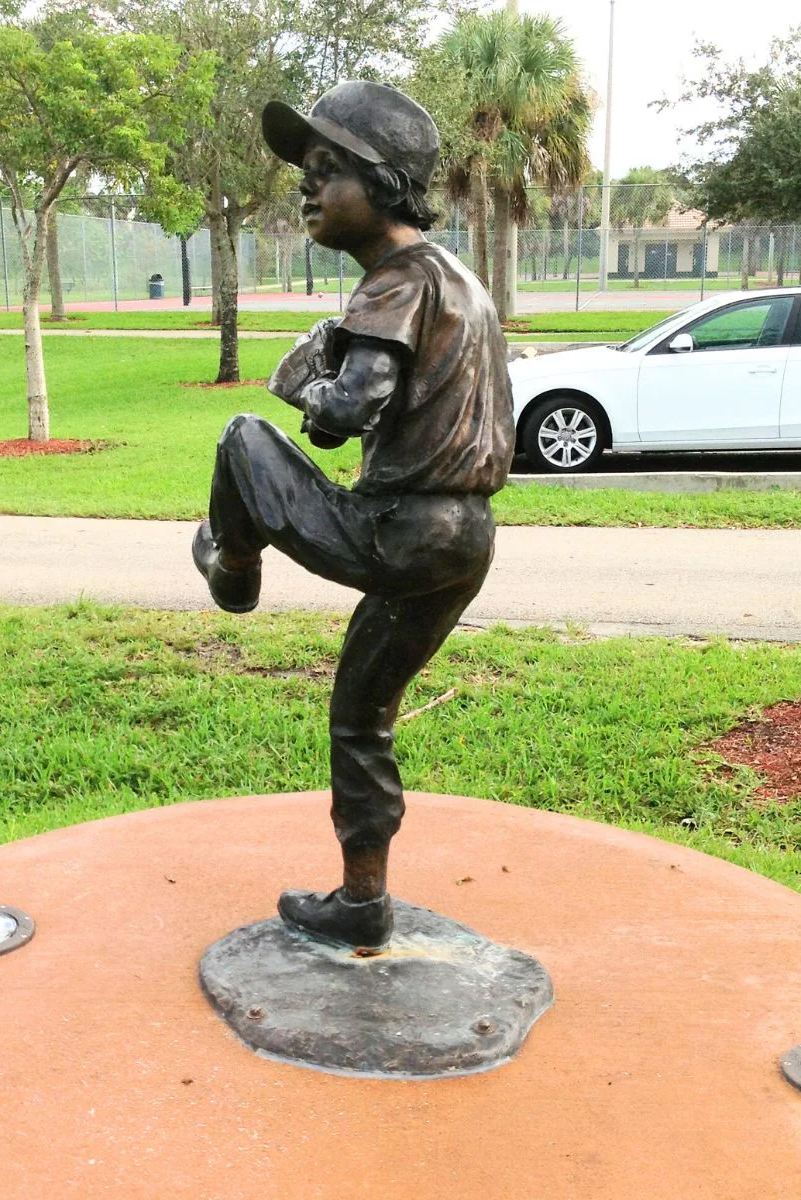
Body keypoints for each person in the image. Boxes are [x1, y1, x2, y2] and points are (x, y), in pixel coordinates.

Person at [193, 80, 515, 950]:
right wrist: (335, 383)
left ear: (383, 186)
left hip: (400, 530)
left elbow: (346, 410)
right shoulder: (456, 280)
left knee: (241, 441)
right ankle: (364, 899)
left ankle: (232, 567)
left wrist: (301, 377)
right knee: (360, 713)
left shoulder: (395, 280)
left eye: (327, 169)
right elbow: (365, 419)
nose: (307, 186)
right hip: (465, 539)